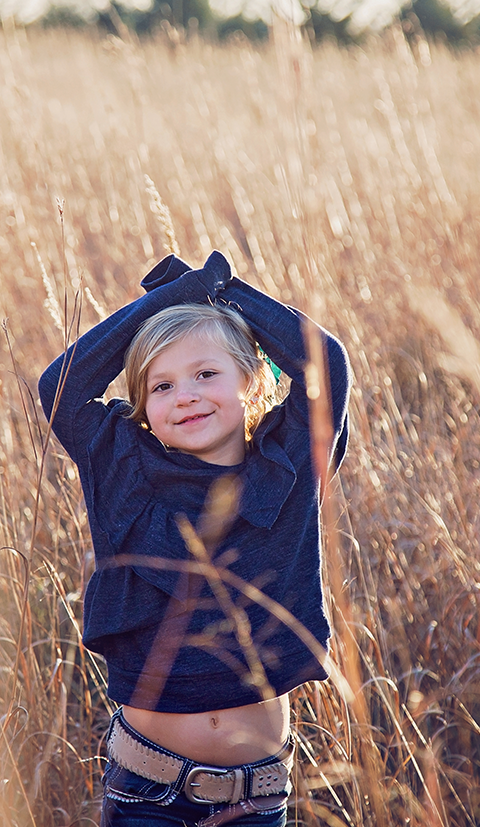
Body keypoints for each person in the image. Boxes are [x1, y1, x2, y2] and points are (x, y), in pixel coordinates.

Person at [38, 250, 351, 826]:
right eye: (161, 385)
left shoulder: (288, 469)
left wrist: (223, 289)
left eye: (206, 374)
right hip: (146, 793)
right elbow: (60, 386)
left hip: (255, 799)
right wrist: (169, 297)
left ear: (253, 383)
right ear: (143, 406)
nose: (184, 395)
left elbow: (325, 364)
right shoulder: (121, 468)